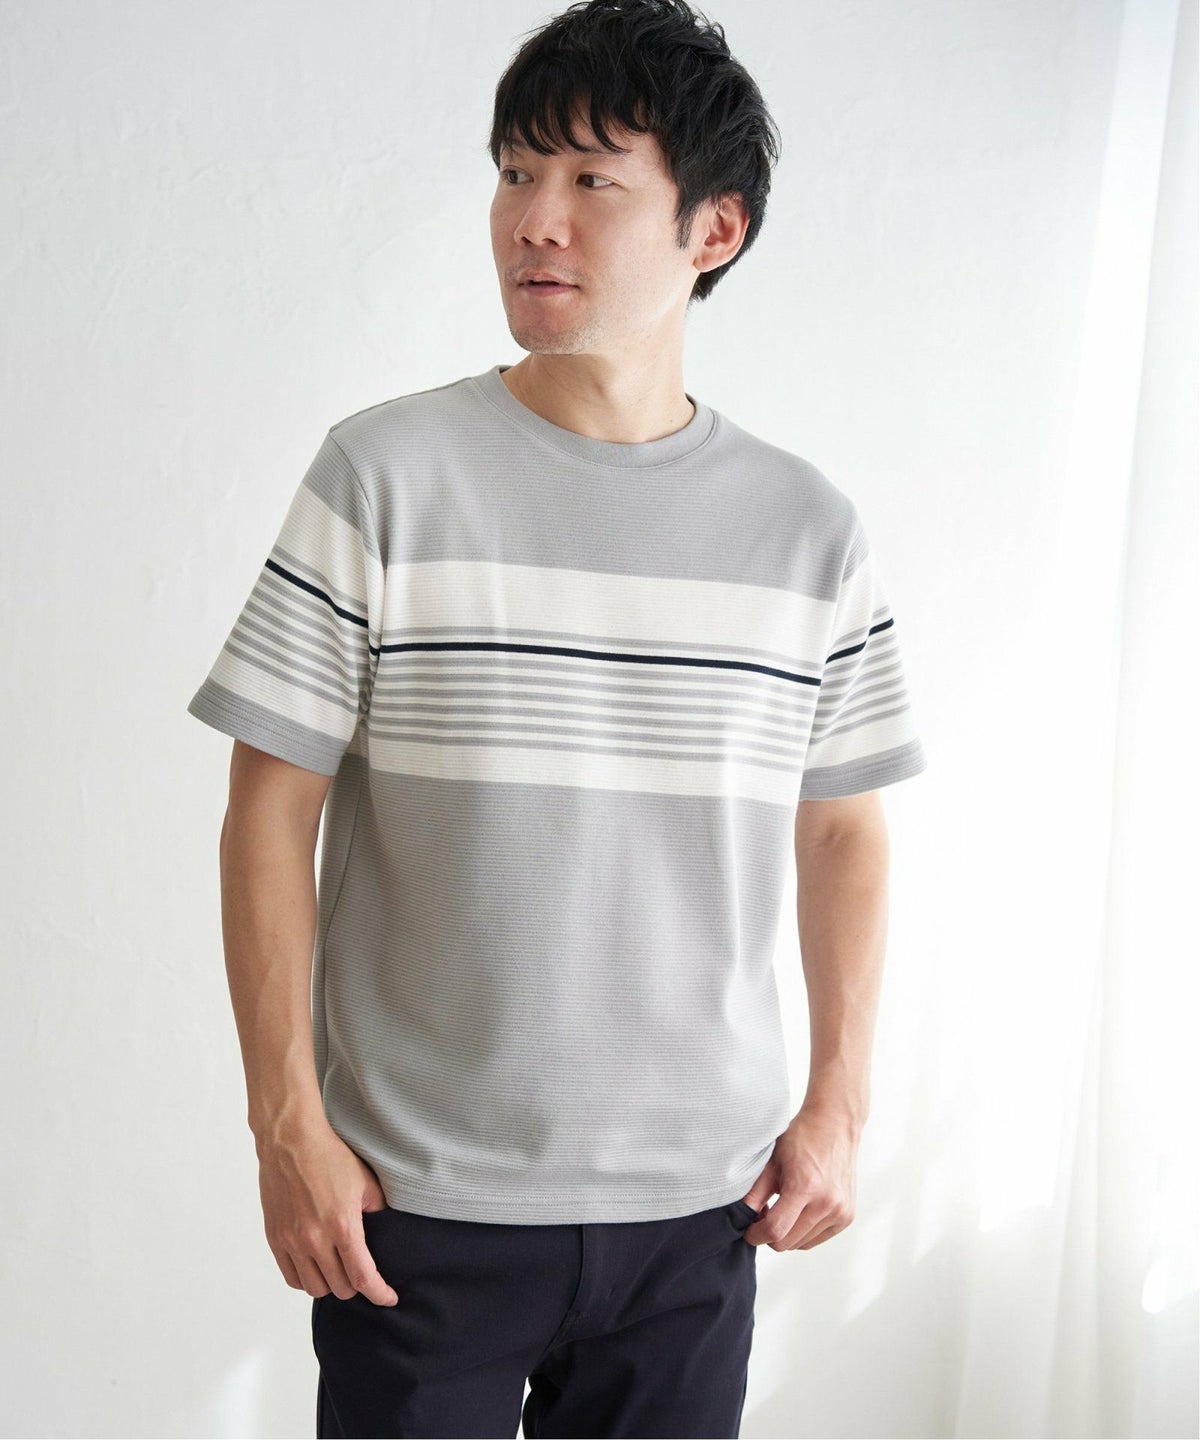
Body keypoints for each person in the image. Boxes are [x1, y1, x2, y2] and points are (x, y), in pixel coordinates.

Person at [186, 1, 928, 1434]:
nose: (536, 218)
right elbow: (268, 810)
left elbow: (843, 830)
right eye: (518, 172)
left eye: (594, 180)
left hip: (702, 1211)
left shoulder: (807, 530)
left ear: (714, 229)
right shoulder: (384, 477)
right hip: (417, 1207)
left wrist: (838, 1104)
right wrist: (285, 1125)